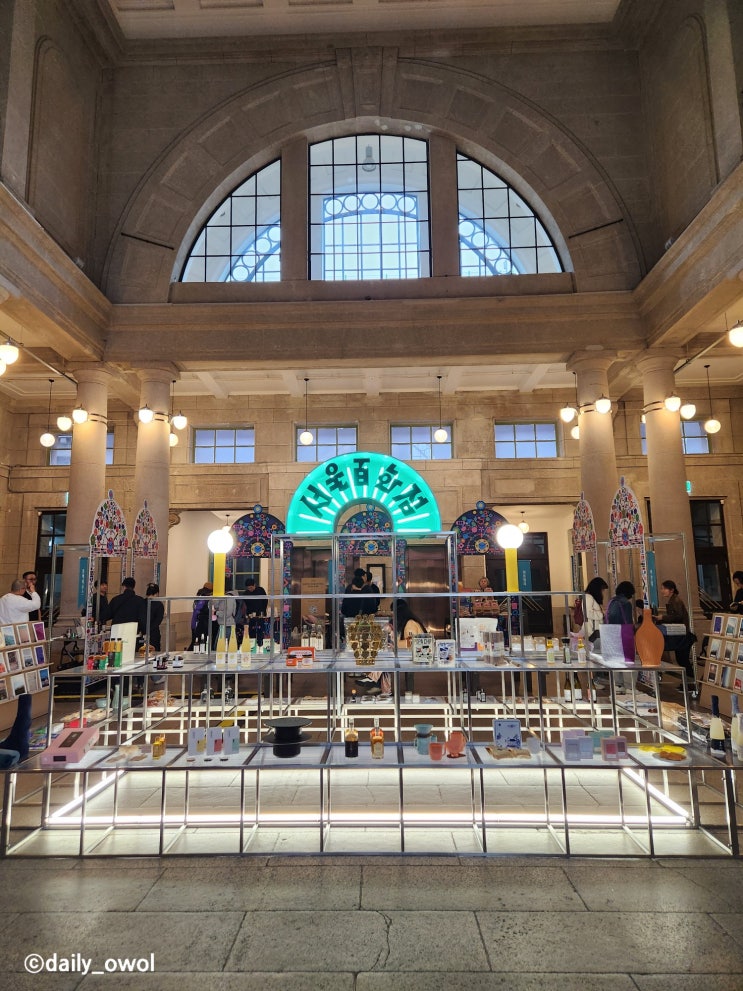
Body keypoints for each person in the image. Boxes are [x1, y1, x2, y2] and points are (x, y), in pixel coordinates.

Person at [654, 579, 697, 694]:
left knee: (683, 660)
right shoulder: (673, 600)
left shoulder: (676, 600)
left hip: (682, 635)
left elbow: (678, 616)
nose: (662, 591)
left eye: (664, 588)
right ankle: (687, 683)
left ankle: (690, 684)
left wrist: (663, 618)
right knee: (681, 659)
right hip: (680, 634)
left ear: (671, 590)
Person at [604, 581, 635, 691]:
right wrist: (632, 632)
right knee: (628, 660)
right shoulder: (626, 603)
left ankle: (617, 685)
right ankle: (629, 686)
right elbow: (628, 620)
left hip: (610, 633)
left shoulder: (611, 601)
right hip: (623, 633)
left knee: (614, 660)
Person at [582, 576, 609, 644]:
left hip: (595, 630)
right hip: (591, 631)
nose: (603, 592)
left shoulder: (592, 598)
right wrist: (602, 614)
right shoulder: (588, 597)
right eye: (602, 590)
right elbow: (588, 613)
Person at [142, 582, 165, 652]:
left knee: (141, 652)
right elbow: (158, 620)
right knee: (154, 652)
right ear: (157, 593)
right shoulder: (159, 604)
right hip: (154, 633)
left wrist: (143, 630)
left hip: (141, 632)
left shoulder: (141, 602)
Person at [187, 586, 210, 651]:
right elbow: (203, 610)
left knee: (195, 639)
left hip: (195, 621)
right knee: (199, 640)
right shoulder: (205, 600)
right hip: (200, 622)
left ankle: (192, 651)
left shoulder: (197, 599)